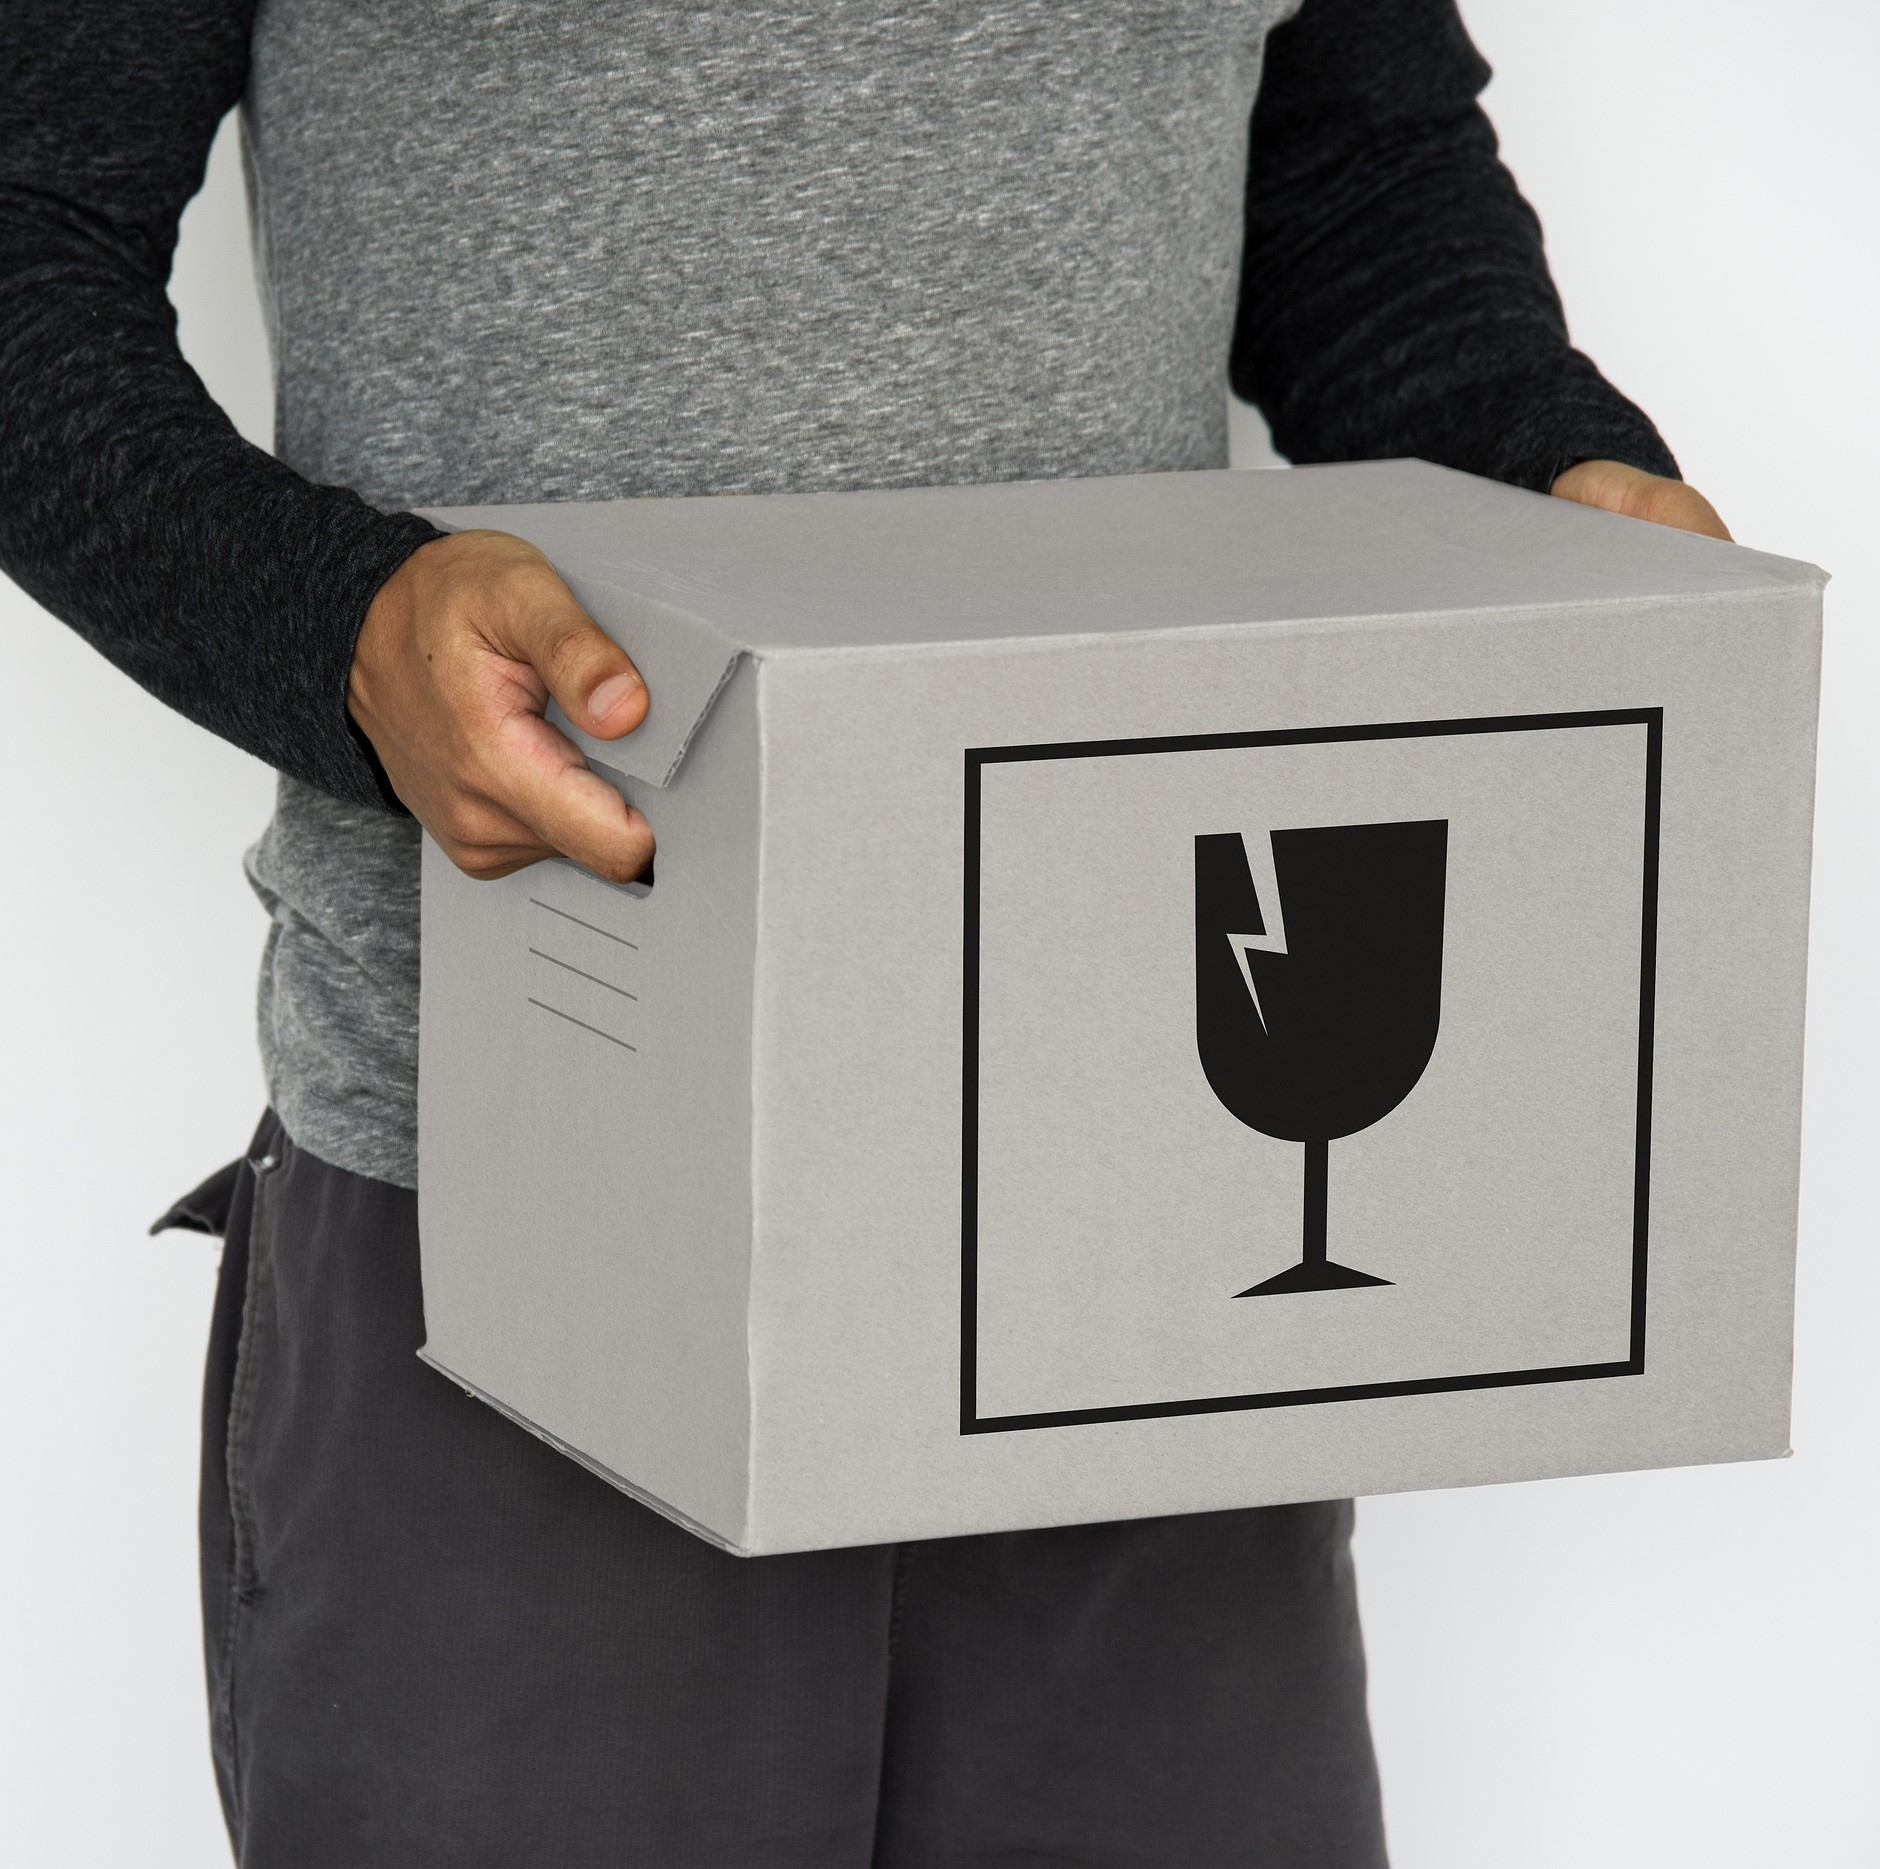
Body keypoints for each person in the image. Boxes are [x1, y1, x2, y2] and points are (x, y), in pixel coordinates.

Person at [0, 2, 1730, 1863]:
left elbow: (1350, 166)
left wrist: (1541, 459)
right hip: (527, 1195)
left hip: (1147, 1190)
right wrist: (339, 628)